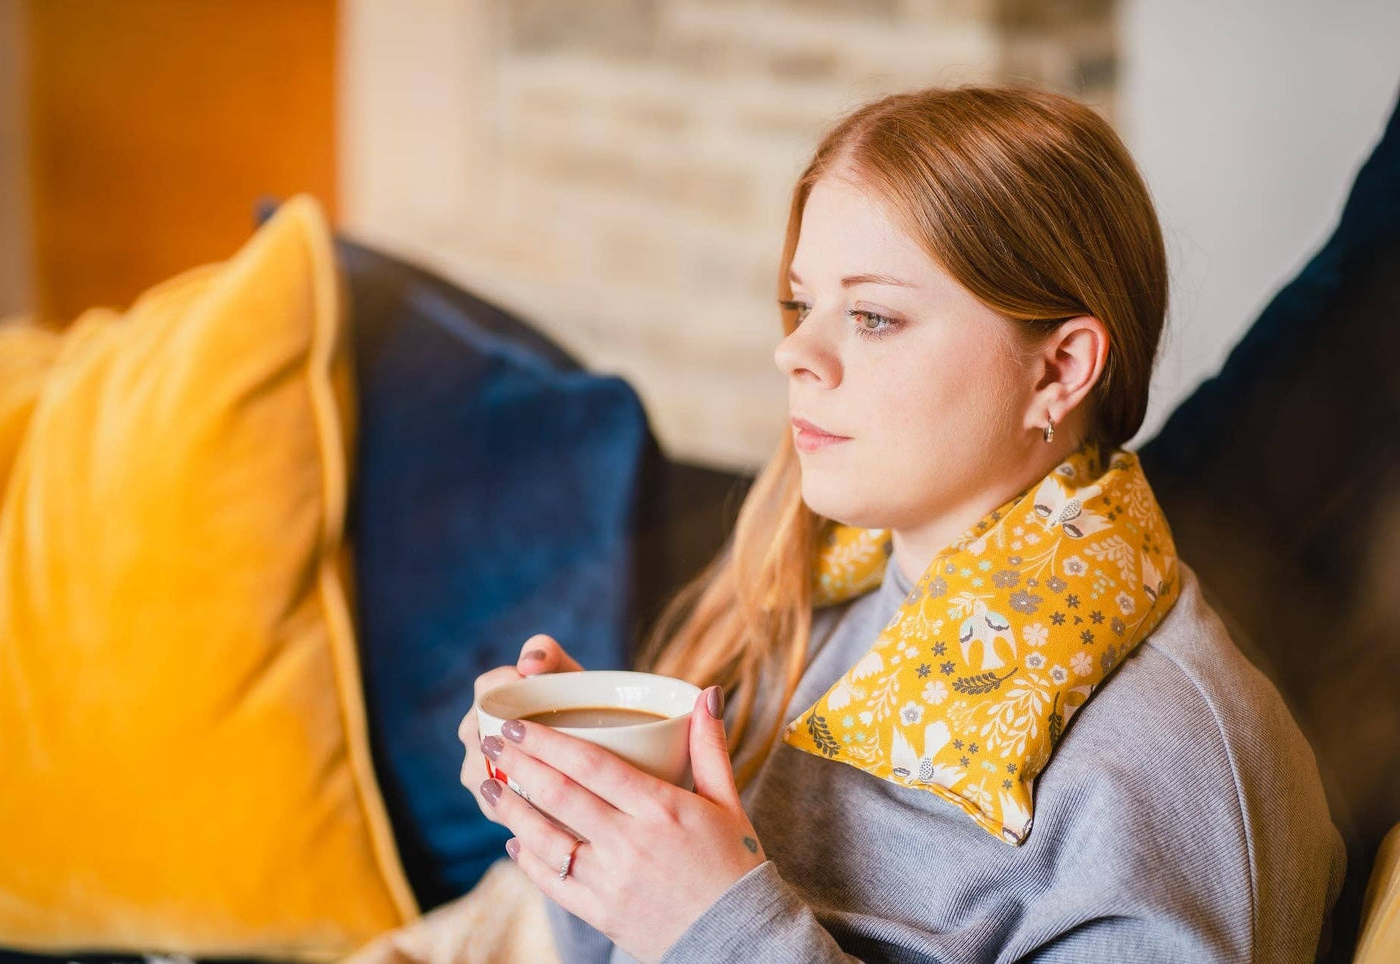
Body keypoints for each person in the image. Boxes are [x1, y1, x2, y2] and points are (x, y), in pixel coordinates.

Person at [456, 84, 1346, 963]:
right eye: (801, 305)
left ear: (1059, 370)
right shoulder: (829, 604)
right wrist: (596, 823)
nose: (792, 351)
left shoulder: (1165, 778)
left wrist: (715, 923)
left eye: (874, 316)